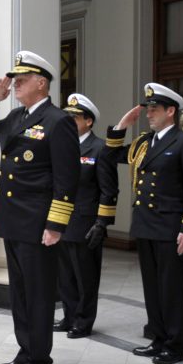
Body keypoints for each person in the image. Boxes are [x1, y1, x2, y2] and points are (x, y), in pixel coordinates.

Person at [0, 51, 79, 364]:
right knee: (19, 292)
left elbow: (67, 177)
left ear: (41, 83)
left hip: (37, 223)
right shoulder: (18, 116)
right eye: (15, 79)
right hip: (12, 219)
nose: (15, 83)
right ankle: (25, 351)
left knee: (38, 293)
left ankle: (40, 360)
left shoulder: (57, 120)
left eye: (22, 79)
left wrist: (55, 224)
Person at [105, 83, 183, 364]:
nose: (149, 113)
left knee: (170, 288)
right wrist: (123, 125)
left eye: (155, 109)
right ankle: (158, 338)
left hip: (170, 227)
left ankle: (174, 345)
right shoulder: (143, 143)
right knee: (152, 287)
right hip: (146, 225)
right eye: (148, 109)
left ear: (170, 111)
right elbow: (110, 155)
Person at [53, 94, 118, 339]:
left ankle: (83, 320)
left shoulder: (100, 148)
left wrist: (102, 223)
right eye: (66, 115)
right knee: (65, 275)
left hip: (86, 222)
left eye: (75, 116)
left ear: (89, 121)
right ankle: (69, 315)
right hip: (61, 220)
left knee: (85, 276)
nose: (69, 120)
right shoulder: (61, 146)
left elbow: (109, 190)